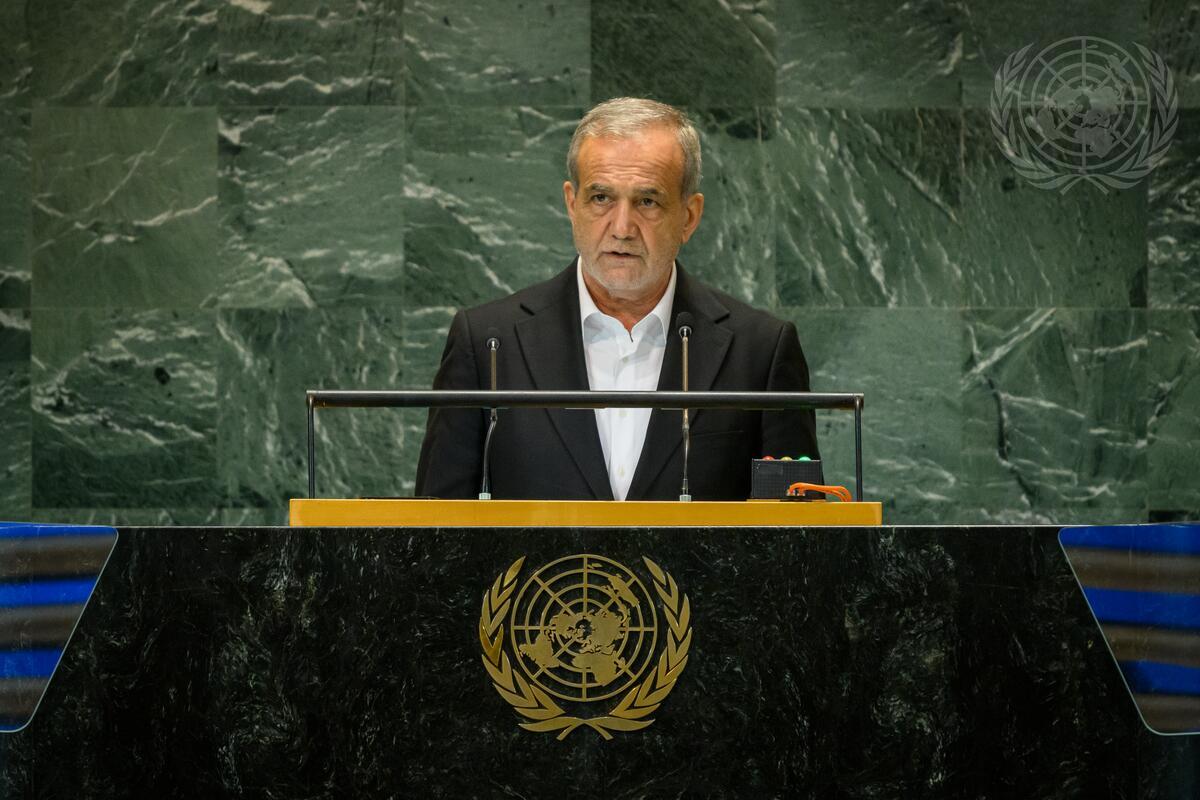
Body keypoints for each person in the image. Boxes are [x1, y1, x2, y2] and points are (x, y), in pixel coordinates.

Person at [415, 97, 819, 501]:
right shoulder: (488, 344)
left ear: (689, 217)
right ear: (571, 204)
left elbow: (799, 529)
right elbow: (433, 524)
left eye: (647, 201)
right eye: (601, 198)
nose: (622, 228)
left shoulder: (760, 351)